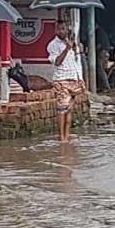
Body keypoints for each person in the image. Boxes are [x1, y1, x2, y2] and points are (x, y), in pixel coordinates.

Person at [45, 14, 84, 144]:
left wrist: (80, 78)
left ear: (67, 29)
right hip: (61, 80)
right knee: (62, 109)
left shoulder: (72, 43)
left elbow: (76, 62)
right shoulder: (52, 45)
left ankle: (67, 135)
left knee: (70, 110)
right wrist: (67, 49)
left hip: (73, 79)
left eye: (63, 29)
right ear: (55, 30)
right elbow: (57, 62)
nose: (61, 31)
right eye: (59, 29)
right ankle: (61, 137)